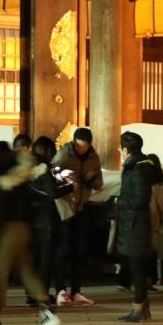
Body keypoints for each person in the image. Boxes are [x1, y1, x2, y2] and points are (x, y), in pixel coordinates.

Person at [0, 140, 61, 325]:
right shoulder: (15, 174)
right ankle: (47, 310)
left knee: (0, 272)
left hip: (7, 230)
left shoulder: (2, 179)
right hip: (22, 228)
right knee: (26, 270)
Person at [113, 132, 163, 323]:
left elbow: (139, 199)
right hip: (132, 222)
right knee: (136, 266)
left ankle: (139, 306)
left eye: (120, 148)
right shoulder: (136, 166)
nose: (119, 151)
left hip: (136, 223)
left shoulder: (138, 169)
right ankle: (140, 307)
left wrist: (118, 202)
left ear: (126, 149)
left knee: (137, 268)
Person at [53, 127, 102, 307]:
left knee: (80, 250)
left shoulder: (93, 158)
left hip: (82, 207)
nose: (82, 150)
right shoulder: (62, 156)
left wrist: (91, 179)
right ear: (73, 142)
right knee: (63, 248)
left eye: (85, 147)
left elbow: (99, 184)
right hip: (65, 207)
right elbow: (53, 179)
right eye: (79, 146)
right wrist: (68, 180)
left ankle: (76, 290)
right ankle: (60, 290)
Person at [28, 136, 69, 303]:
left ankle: (31, 294)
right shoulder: (44, 168)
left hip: (31, 216)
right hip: (46, 218)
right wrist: (70, 186)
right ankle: (42, 294)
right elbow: (52, 193)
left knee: (34, 258)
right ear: (47, 151)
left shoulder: (27, 167)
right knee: (46, 258)